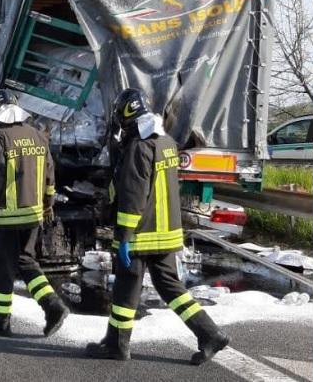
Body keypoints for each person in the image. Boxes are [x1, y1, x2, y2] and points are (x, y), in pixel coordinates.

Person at [86, 88, 229, 364]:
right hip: (167, 233)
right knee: (170, 287)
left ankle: (117, 346)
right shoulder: (165, 142)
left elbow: (132, 196)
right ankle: (210, 334)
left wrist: (125, 235)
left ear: (126, 114)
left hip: (142, 234)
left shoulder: (139, 148)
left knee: (126, 289)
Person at [0, 89, 69, 337]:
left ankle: (0, 320)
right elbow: (50, 175)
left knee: (3, 268)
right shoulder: (38, 137)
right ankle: (53, 306)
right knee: (26, 262)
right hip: (33, 216)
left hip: (5, 218)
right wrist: (48, 204)